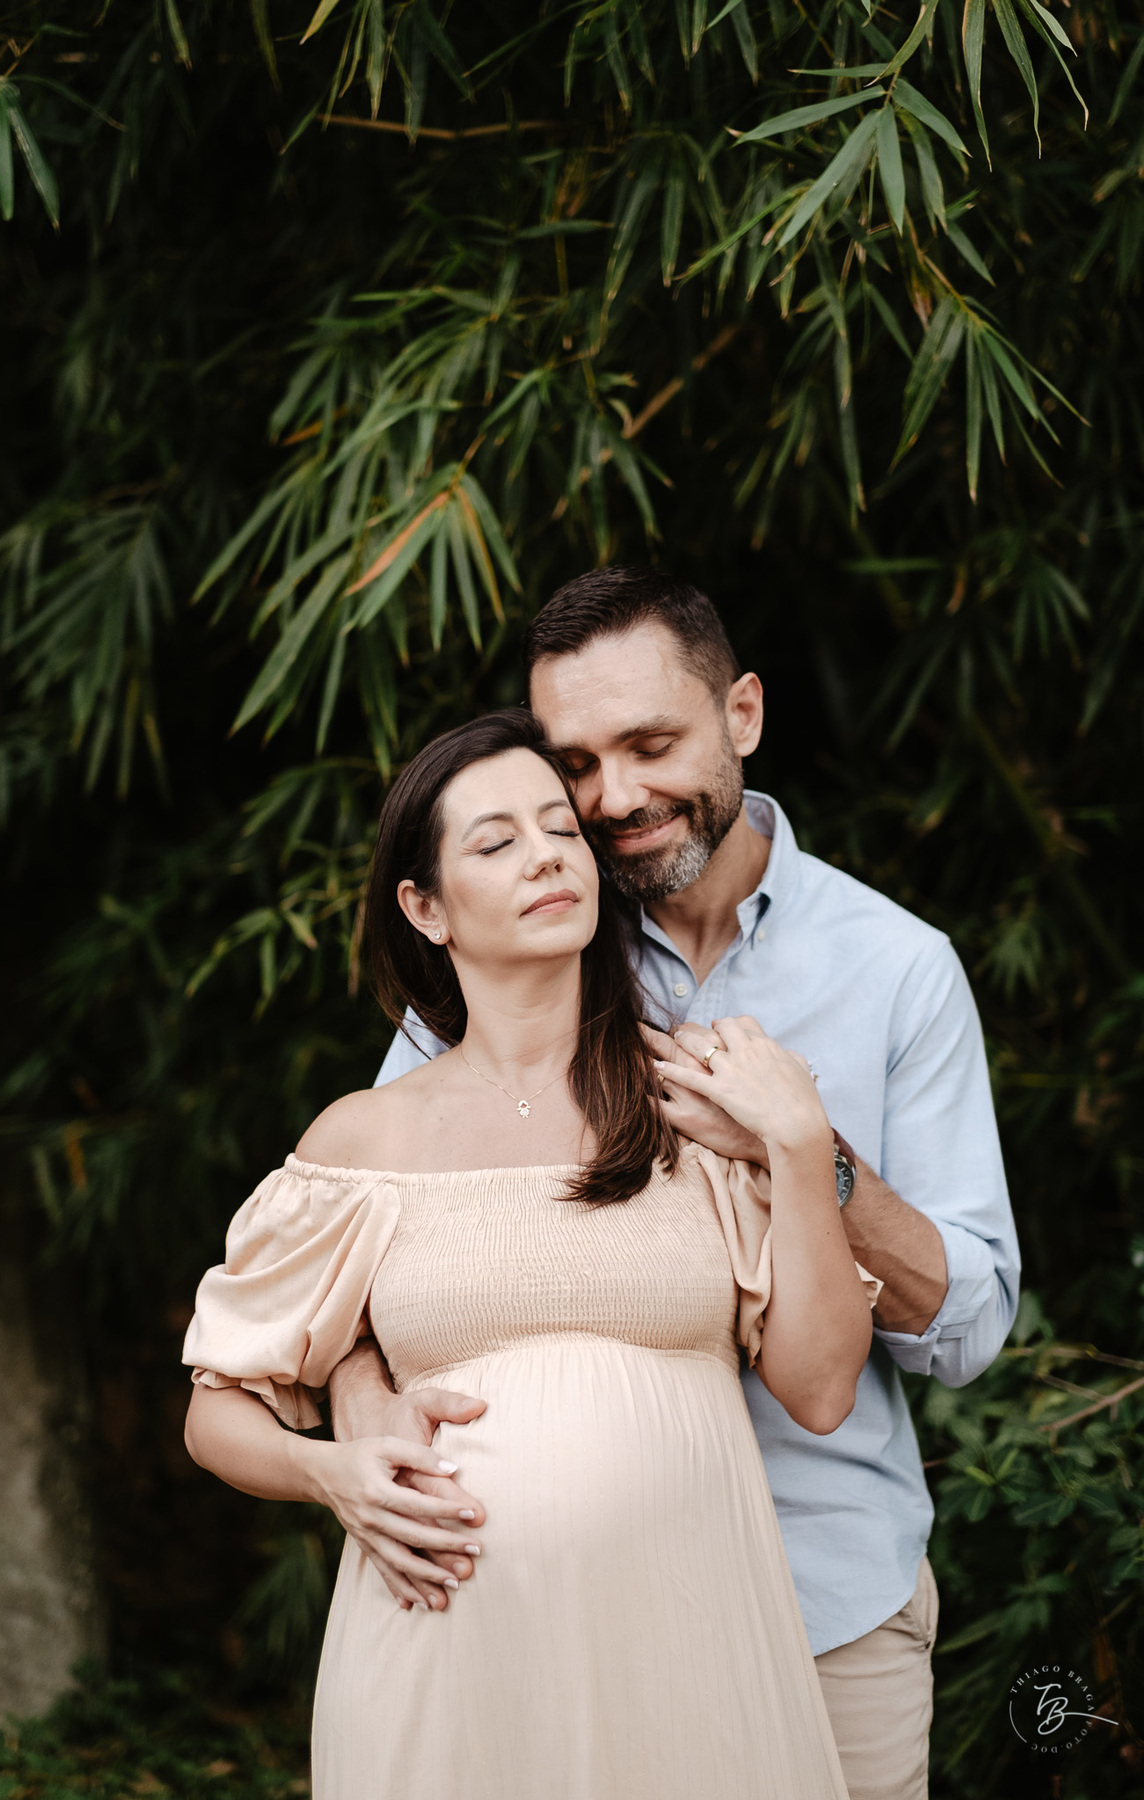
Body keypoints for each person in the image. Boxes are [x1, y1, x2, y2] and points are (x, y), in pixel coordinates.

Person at [334, 569, 1020, 1800]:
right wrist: (357, 1405)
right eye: (577, 765)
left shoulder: (897, 970)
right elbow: (365, 1248)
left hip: (821, 1601)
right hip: (540, 1614)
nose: (613, 798)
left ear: (741, 714)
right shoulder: (520, 937)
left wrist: (808, 1154)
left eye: (651, 745)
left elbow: (966, 1328)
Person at [182, 710, 877, 1799]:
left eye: (561, 830)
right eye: (496, 842)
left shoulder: (697, 1102)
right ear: (425, 907)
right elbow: (217, 1410)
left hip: (688, 1648)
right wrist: (330, 1475)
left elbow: (823, 1388)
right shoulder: (364, 1141)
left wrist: (796, 1145)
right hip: (447, 1654)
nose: (548, 856)